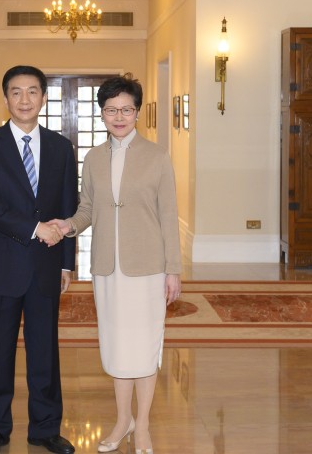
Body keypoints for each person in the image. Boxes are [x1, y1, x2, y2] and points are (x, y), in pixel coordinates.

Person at [52, 75, 181, 454]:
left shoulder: (158, 157)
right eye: (111, 110)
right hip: (107, 268)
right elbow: (87, 209)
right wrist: (68, 226)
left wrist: (173, 269)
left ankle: (142, 427)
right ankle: (122, 421)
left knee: (143, 347)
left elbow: (169, 215)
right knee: (116, 347)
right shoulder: (92, 158)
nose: (119, 116)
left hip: (149, 267)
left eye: (126, 109)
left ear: (138, 112)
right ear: (102, 114)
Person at [0, 65, 78, 454]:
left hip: (47, 265)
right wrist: (34, 228)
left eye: (33, 91)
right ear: (6, 98)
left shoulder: (62, 147)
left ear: (43, 97)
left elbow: (68, 206)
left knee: (45, 351)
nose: (25, 99)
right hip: (0, 265)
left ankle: (45, 428)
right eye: (16, 92)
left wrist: (67, 262)